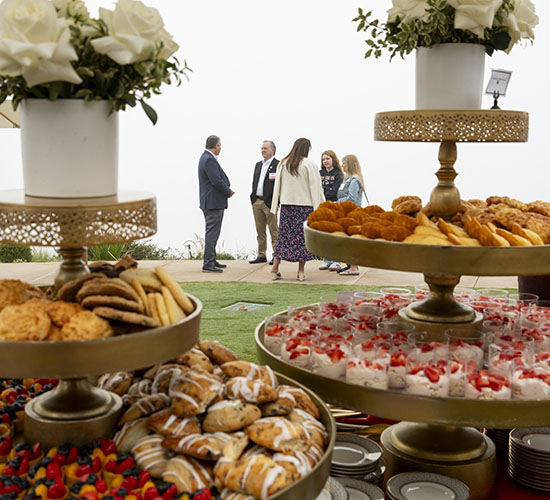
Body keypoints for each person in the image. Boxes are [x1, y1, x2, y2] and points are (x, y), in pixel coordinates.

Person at [270, 138, 324, 282]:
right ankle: (300, 272)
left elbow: (277, 187)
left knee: (283, 237)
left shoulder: (283, 163)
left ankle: (274, 269)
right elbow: (316, 187)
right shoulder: (309, 165)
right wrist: (319, 206)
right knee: (302, 240)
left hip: (287, 207)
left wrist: (275, 205)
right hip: (304, 207)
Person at [197, 135, 234, 273]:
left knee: (213, 233)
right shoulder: (208, 159)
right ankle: (208, 263)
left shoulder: (206, 158)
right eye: (220, 145)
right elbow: (216, 181)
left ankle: (211, 259)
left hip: (211, 202)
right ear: (216, 146)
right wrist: (228, 191)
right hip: (213, 203)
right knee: (212, 234)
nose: (220, 148)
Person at [249, 140, 279, 265]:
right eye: (262, 148)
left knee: (273, 230)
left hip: (270, 202)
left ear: (272, 150)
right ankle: (261, 255)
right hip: (257, 201)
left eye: (265, 148)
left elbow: (280, 184)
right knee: (260, 230)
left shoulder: (278, 165)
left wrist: (276, 202)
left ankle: (276, 255)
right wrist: (253, 198)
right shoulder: (258, 165)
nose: (263, 150)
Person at [337, 154, 365, 276]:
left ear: (350, 164)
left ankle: (353, 268)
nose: (342, 165)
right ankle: (350, 265)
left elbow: (352, 198)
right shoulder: (347, 179)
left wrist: (336, 202)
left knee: (351, 241)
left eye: (344, 163)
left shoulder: (354, 180)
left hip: (352, 214)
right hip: (346, 213)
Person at [318, 150, 344, 271]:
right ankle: (326, 260)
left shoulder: (338, 174)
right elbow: (317, 188)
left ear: (333, 159)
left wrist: (325, 190)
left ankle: (336, 261)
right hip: (322, 205)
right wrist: (326, 189)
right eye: (323, 159)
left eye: (327, 158)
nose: (325, 161)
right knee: (324, 234)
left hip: (334, 205)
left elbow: (335, 191)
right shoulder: (319, 173)